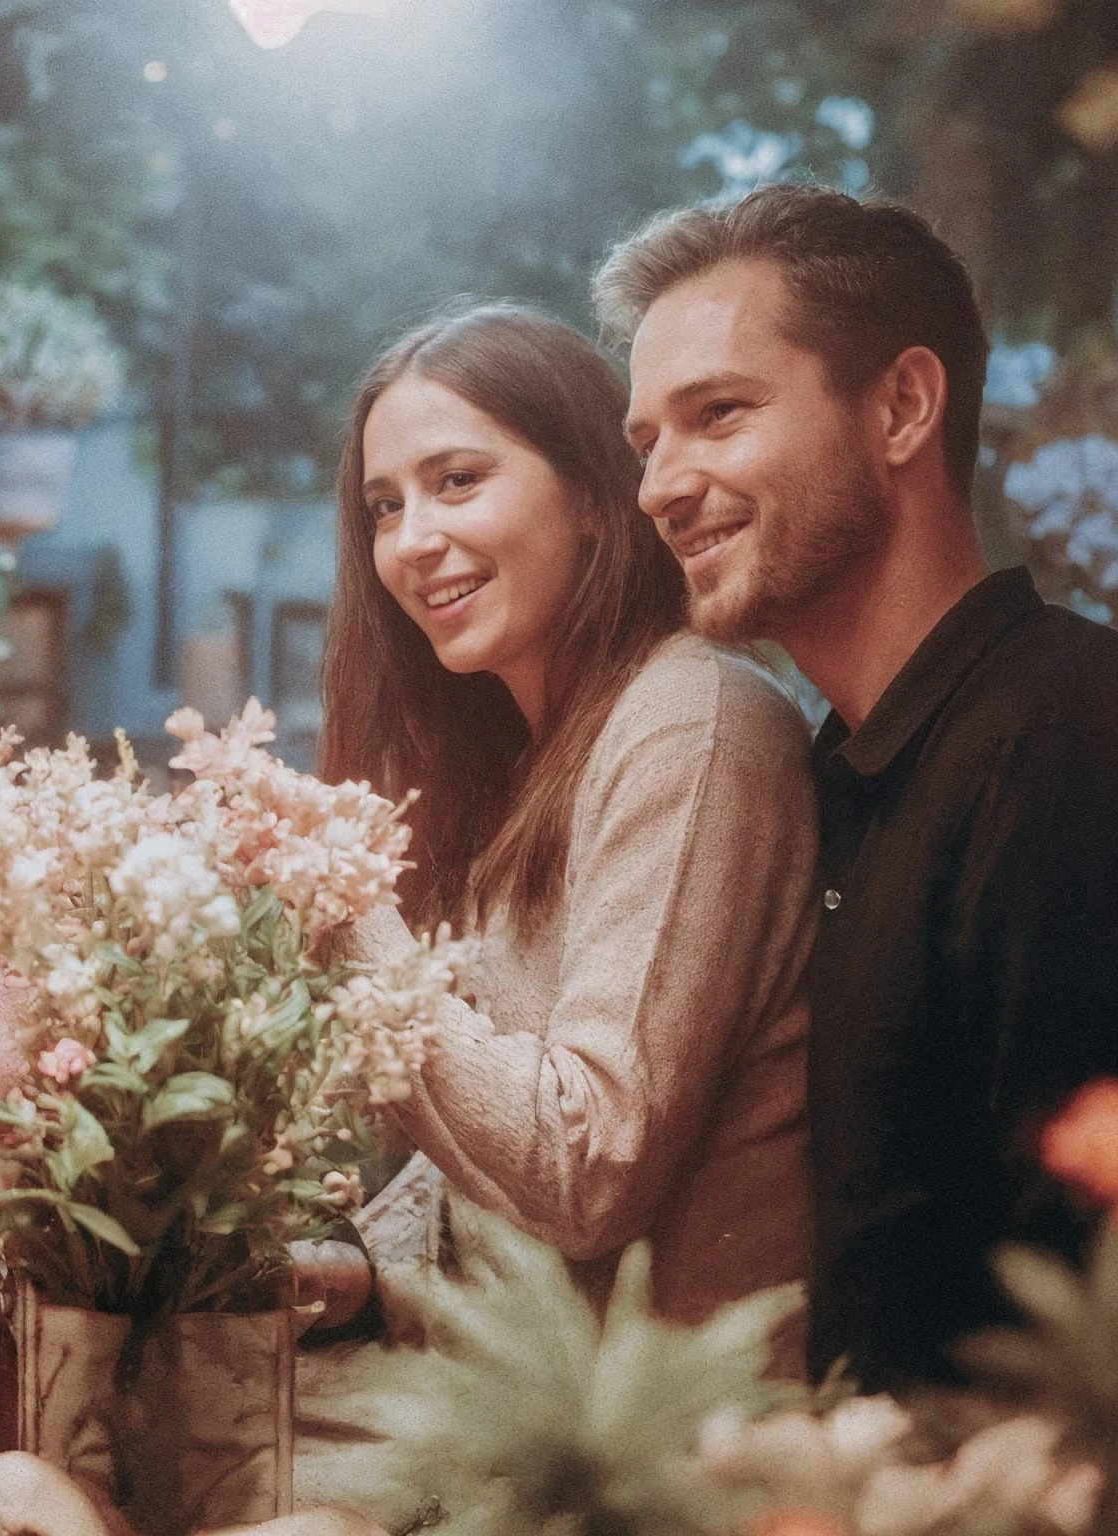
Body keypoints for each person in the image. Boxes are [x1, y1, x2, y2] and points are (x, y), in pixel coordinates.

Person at [597, 185, 1118, 1391]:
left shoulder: (1063, 751)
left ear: (902, 407)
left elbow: (1106, 1320)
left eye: (718, 415)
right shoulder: (849, 764)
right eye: (649, 442)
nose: (660, 486)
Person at [318, 302, 819, 1372]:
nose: (412, 541)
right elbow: (494, 1198)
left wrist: (341, 899)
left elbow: (582, 1173)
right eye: (384, 506)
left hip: (674, 1444)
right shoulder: (528, 759)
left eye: (458, 480)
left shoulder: (693, 724)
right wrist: (363, 1281)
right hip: (527, 1408)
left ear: (595, 496)